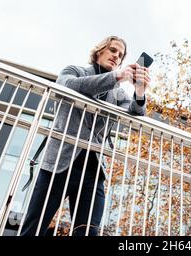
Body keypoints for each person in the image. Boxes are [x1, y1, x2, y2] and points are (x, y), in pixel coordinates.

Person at [20, 36, 150, 236]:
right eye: (113, 50)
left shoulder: (117, 93)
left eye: (121, 55)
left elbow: (135, 113)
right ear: (99, 51)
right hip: (59, 164)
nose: (117, 57)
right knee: (33, 228)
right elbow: (67, 85)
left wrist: (139, 91)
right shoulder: (74, 71)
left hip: (93, 171)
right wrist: (117, 76)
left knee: (89, 232)